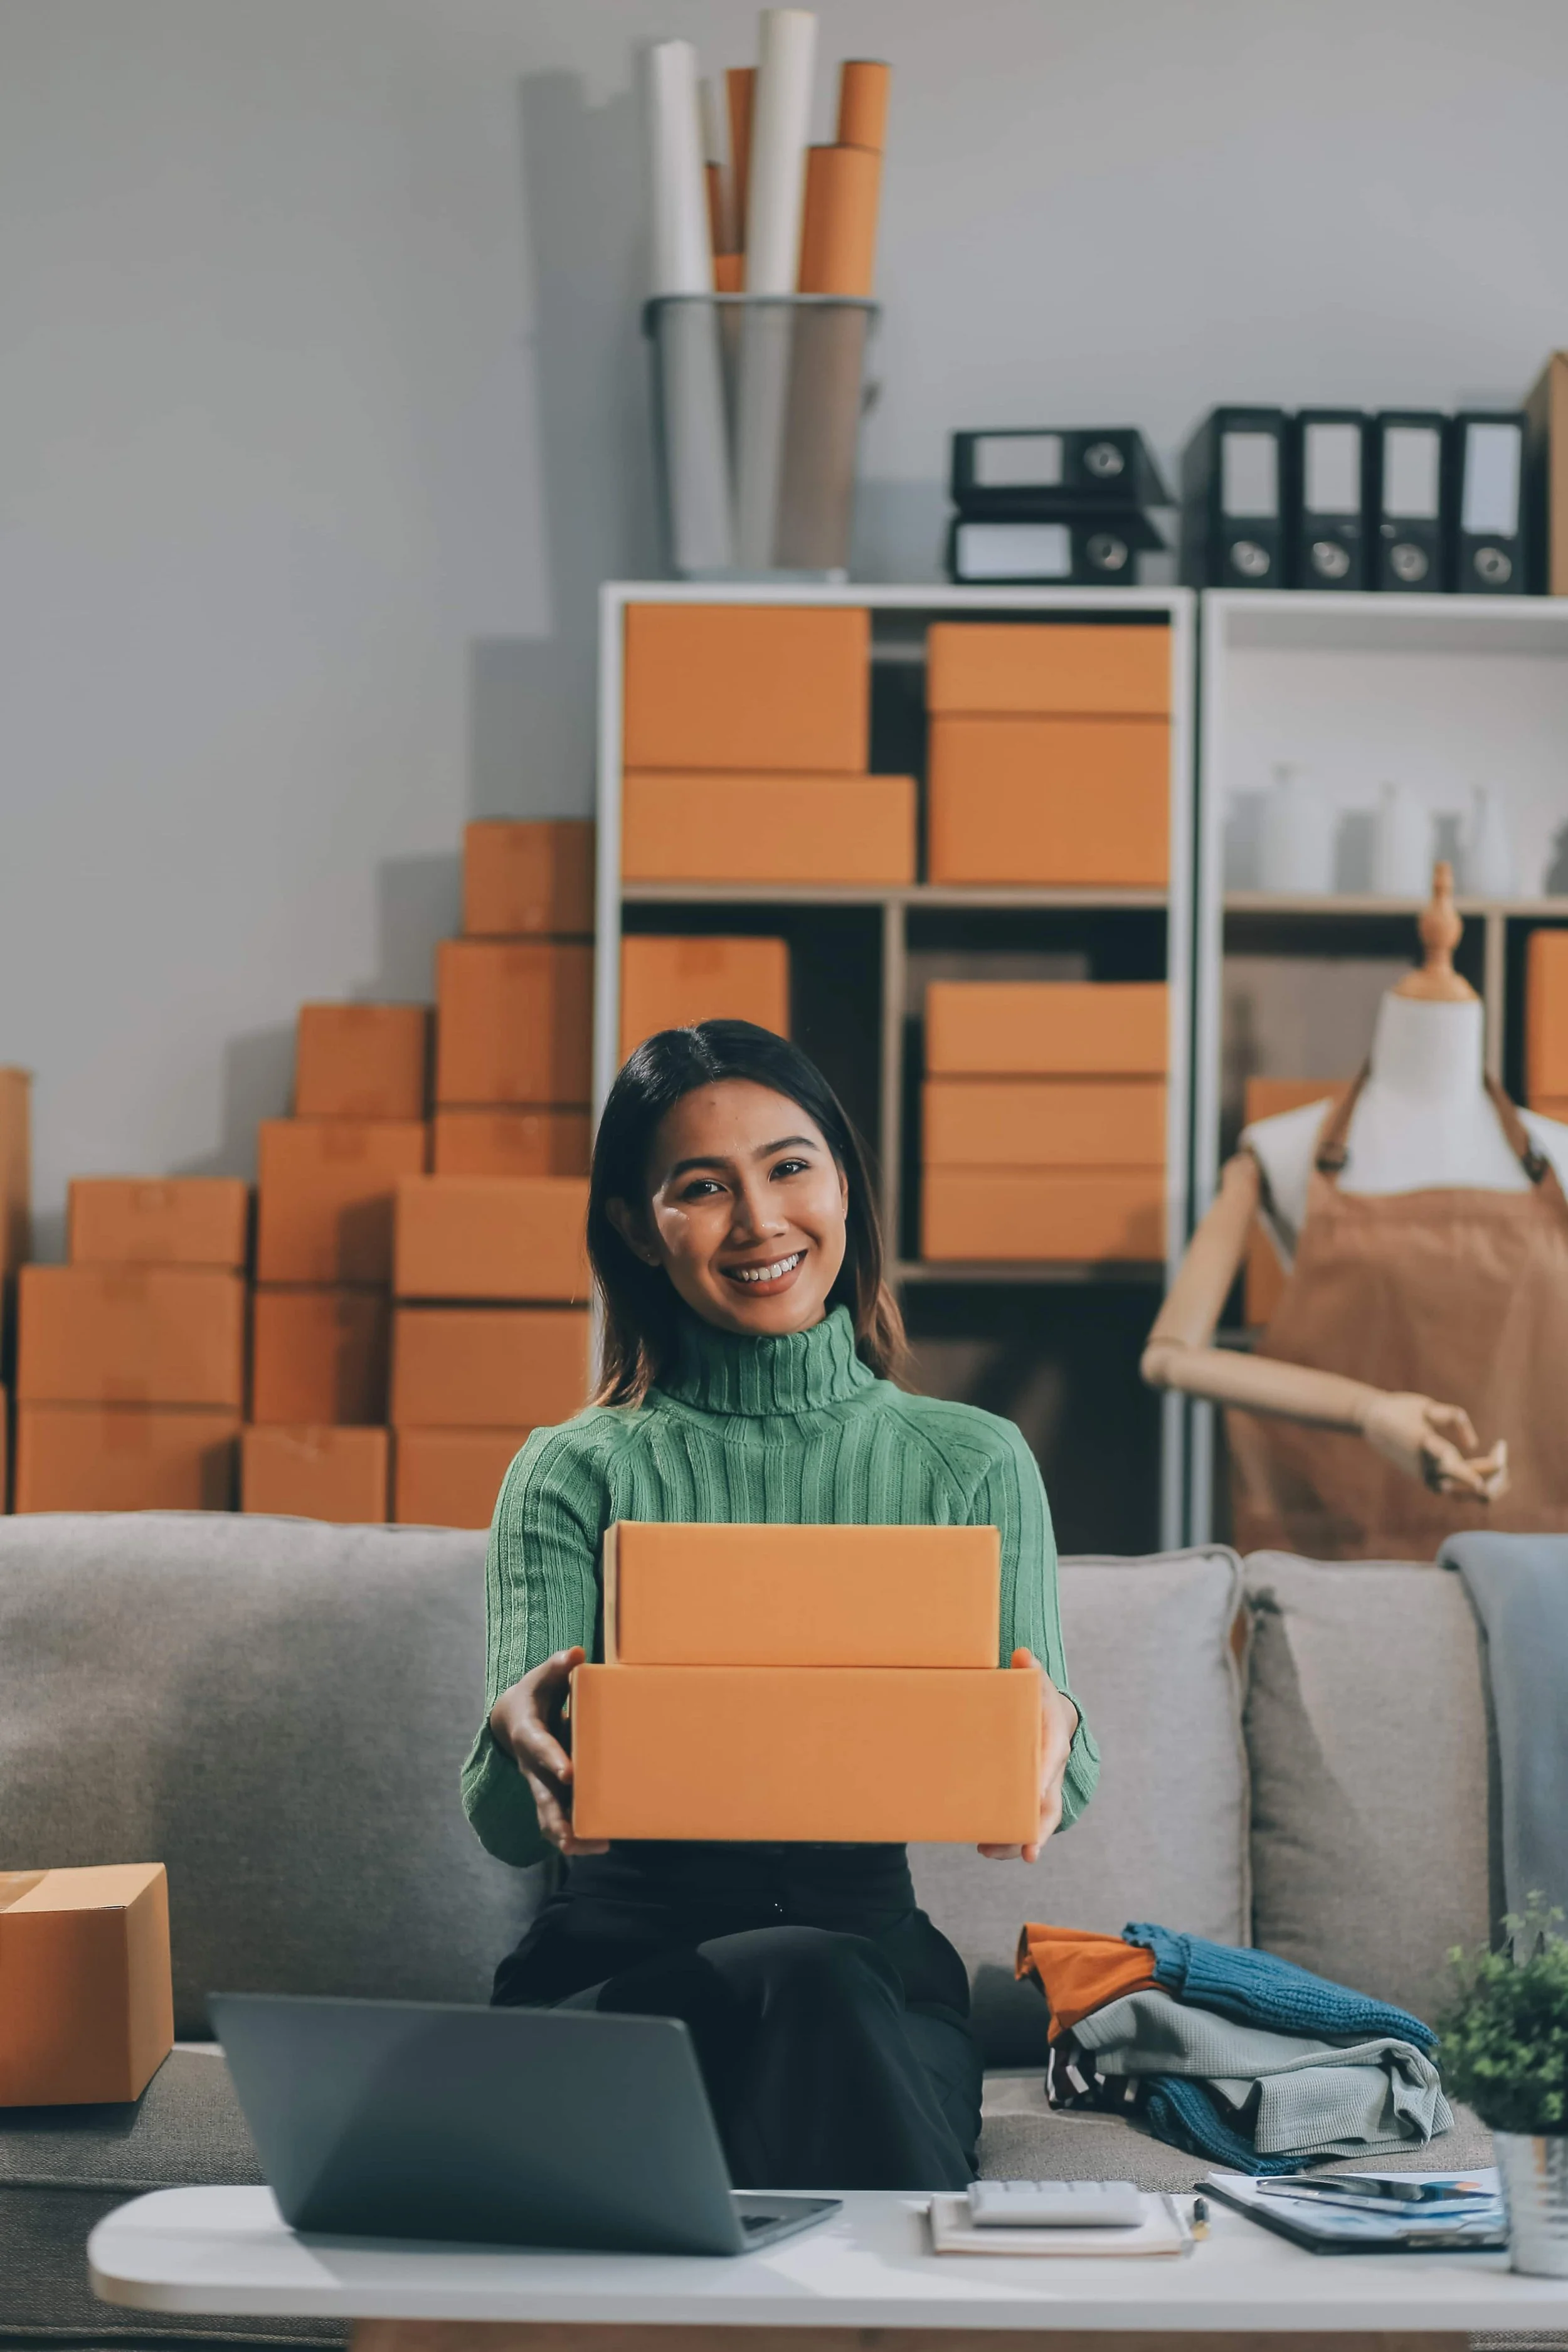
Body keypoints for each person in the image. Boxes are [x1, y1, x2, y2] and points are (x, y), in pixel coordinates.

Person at [461, 1021, 1097, 2190]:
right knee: (815, 1985)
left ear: (844, 1185)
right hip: (625, 1976)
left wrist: (1046, 1720)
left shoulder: (972, 1464)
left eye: (790, 1166)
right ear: (632, 1228)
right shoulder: (572, 1472)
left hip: (872, 1977)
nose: (759, 1220)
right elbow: (507, 1823)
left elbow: (1062, 1779)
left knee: (827, 1978)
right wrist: (521, 1741)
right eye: (703, 1186)